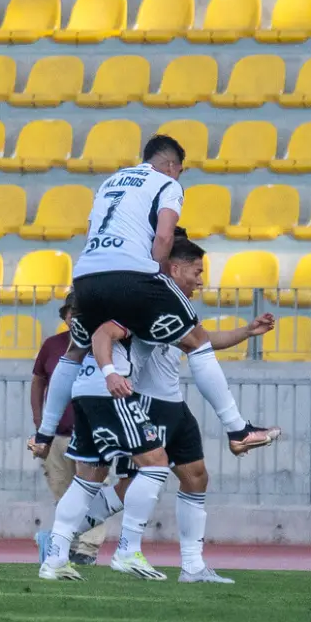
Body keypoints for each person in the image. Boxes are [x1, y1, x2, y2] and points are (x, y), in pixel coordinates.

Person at [29, 135, 278, 464]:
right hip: (133, 276)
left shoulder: (110, 182)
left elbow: (93, 232)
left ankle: (44, 436)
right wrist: (159, 277)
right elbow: (163, 236)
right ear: (173, 166)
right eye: (180, 172)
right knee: (197, 343)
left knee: (74, 352)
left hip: (87, 276)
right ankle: (237, 430)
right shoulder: (166, 184)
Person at [39, 238, 273, 582]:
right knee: (146, 471)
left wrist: (246, 332)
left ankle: (58, 553)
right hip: (126, 396)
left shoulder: (118, 299)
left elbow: (198, 340)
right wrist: (110, 373)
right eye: (196, 271)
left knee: (104, 478)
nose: (200, 279)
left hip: (118, 396)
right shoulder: (140, 298)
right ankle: (126, 550)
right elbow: (104, 336)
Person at [30, 292, 114, 565]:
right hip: (59, 433)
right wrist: (40, 422)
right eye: (71, 312)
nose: (74, 317)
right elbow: (39, 381)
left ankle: (87, 548)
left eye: (79, 312)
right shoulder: (53, 345)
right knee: (62, 491)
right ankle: (64, 543)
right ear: (64, 315)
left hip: (91, 432)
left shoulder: (104, 344)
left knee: (95, 489)